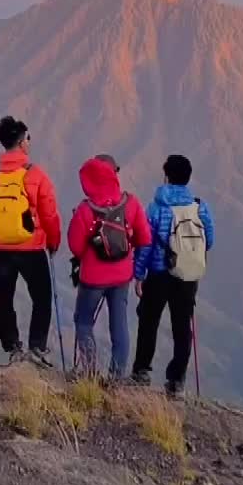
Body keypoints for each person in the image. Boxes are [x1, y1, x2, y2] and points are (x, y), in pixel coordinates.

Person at [0, 116, 62, 365]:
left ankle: (13, 348)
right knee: (42, 298)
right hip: (32, 248)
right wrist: (53, 242)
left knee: (6, 300)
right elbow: (49, 213)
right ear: (22, 141)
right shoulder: (36, 176)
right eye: (28, 138)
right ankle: (37, 348)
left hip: (2, 249)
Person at [132, 153, 215, 398]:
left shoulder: (156, 208)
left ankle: (141, 372)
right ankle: (176, 381)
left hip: (158, 273)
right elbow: (208, 240)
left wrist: (138, 274)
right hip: (187, 276)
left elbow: (145, 244)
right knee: (182, 327)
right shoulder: (200, 208)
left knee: (149, 321)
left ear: (166, 176)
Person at [67, 154, 151, 382]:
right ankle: (116, 378)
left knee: (84, 321)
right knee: (119, 324)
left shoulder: (85, 210)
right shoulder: (131, 204)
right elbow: (145, 238)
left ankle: (90, 373)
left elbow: (75, 247)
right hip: (122, 276)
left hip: (92, 278)